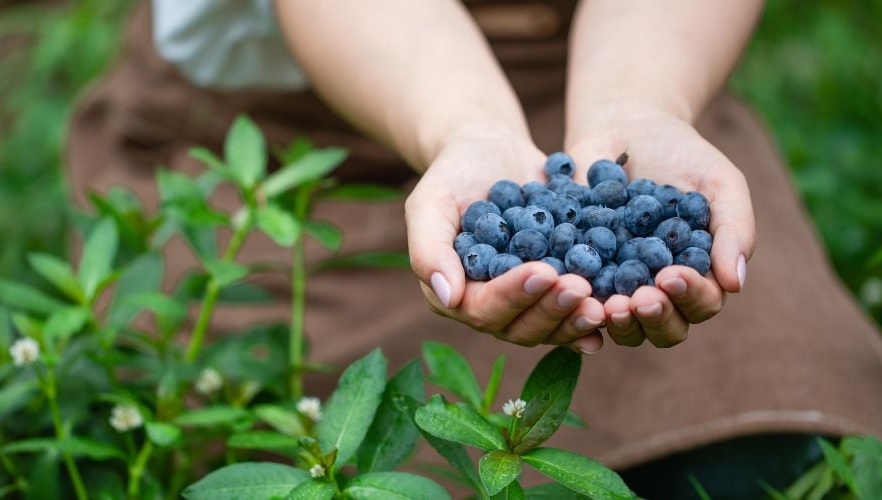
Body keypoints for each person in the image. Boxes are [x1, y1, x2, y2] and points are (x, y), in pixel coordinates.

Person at [67, 1, 882, 497]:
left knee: (760, 428)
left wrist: (638, 101)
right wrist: (469, 130)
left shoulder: (617, 173)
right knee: (330, 451)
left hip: (625, 76)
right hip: (311, 125)